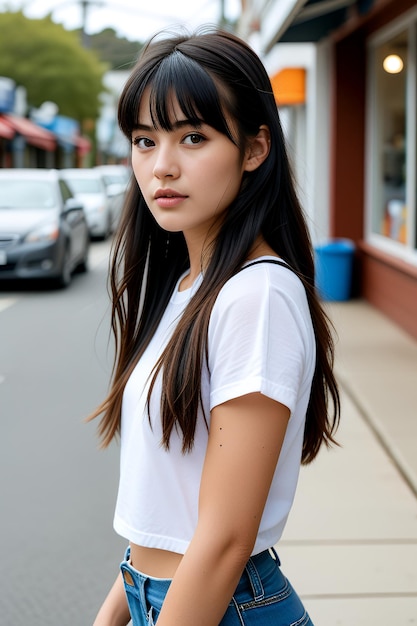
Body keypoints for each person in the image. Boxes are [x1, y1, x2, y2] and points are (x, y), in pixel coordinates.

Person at [90, 27, 340, 626]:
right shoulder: (185, 289)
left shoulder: (257, 296)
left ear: (255, 149)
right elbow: (165, 515)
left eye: (193, 137)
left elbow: (226, 540)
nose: (162, 167)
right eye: (145, 141)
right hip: (164, 599)